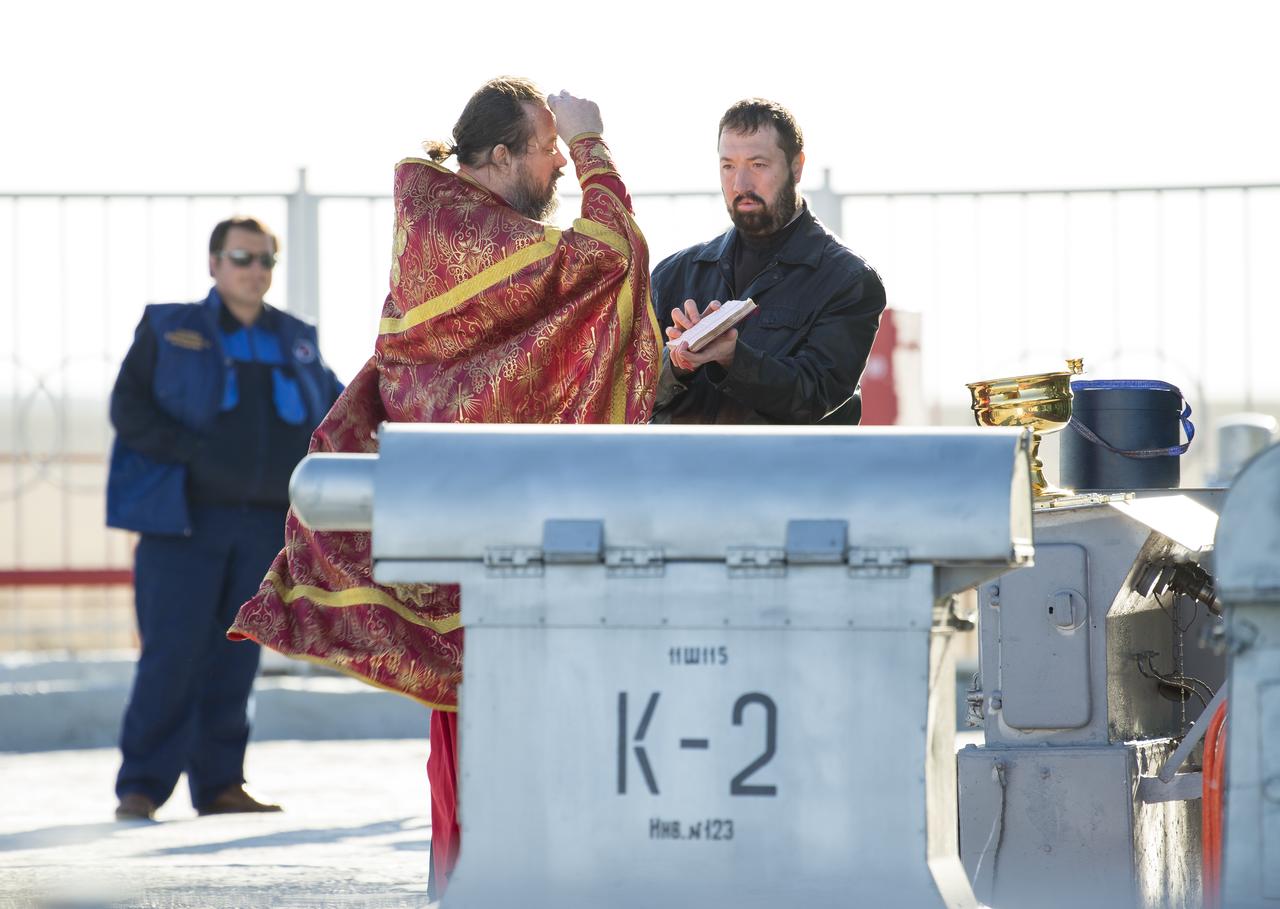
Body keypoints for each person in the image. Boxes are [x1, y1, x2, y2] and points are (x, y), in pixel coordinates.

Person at [227, 77, 660, 894]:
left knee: (481, 731)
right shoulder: (465, 228)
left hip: (473, 521)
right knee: (492, 733)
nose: (562, 169)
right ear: (500, 157)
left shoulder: (449, 219)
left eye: (569, 154)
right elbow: (609, 258)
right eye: (549, 150)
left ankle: (475, 880)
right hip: (486, 535)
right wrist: (597, 142)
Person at [106, 216, 344, 821]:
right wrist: (191, 455)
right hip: (183, 523)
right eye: (242, 258)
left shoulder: (296, 339)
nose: (255, 271)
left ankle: (219, 785)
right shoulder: (170, 327)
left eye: (266, 260)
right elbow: (128, 408)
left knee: (236, 657)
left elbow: (339, 409)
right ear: (214, 263)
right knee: (172, 654)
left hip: (261, 527)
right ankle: (141, 786)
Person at [652, 98, 886, 424]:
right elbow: (630, 394)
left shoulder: (849, 280)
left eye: (758, 164)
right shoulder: (673, 274)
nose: (740, 184)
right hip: (682, 472)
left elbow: (818, 394)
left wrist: (734, 360)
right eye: (728, 166)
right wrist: (677, 364)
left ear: (797, 166)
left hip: (791, 473)